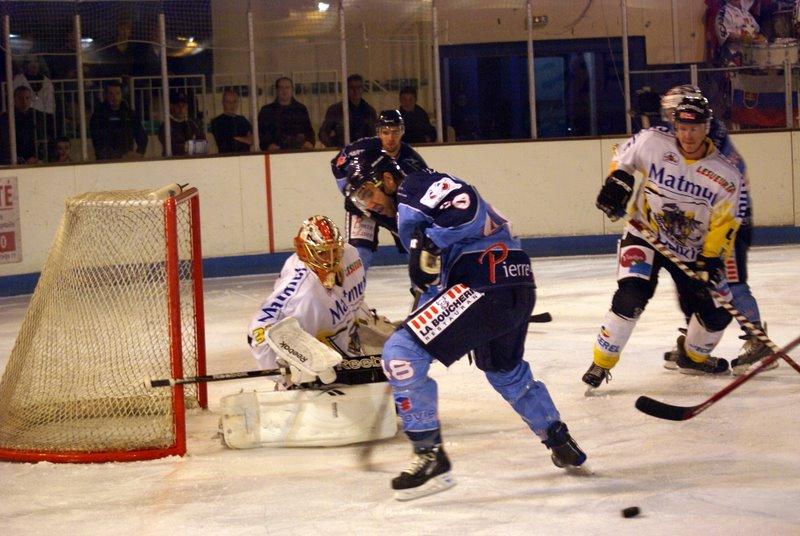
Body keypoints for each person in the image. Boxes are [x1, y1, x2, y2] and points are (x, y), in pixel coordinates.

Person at [345, 158, 587, 501]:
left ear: (386, 178)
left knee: (401, 354)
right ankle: (559, 439)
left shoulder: (413, 186)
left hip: (483, 282)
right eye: (359, 201)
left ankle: (430, 457)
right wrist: (424, 303)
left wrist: (428, 242)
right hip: (513, 283)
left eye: (368, 193)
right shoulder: (408, 212)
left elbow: (465, 204)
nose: (368, 204)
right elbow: (434, 278)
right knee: (503, 370)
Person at [583, 95, 746, 390]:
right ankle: (601, 362)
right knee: (631, 297)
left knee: (717, 312)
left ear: (707, 127)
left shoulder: (726, 176)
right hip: (645, 235)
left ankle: (692, 357)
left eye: (695, 128)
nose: (688, 135)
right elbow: (623, 157)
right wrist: (618, 181)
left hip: (690, 253)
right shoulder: (653, 142)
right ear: (675, 126)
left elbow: (726, 223)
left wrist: (710, 259)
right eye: (682, 128)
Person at [658, 85, 773, 375]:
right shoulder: (688, 136)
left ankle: (758, 340)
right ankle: (695, 344)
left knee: (730, 283)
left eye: (674, 112)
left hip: (728, 225)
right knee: (691, 282)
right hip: (699, 227)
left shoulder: (709, 139)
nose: (673, 121)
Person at [247, 215, 386, 388]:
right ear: (305, 253)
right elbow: (258, 331)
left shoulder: (350, 254)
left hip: (345, 343)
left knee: (389, 370)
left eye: (335, 250)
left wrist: (364, 319)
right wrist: (287, 369)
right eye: (322, 253)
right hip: (318, 360)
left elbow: (352, 301)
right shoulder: (300, 294)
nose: (331, 258)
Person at [331, 110, 429, 269]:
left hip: (396, 210)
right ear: (378, 132)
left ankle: (421, 291)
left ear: (402, 131)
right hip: (364, 207)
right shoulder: (362, 148)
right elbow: (337, 164)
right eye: (385, 132)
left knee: (416, 252)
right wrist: (350, 194)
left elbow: (424, 190)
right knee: (359, 255)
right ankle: (356, 292)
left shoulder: (413, 161)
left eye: (395, 132)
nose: (390, 138)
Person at [89, 80, 148, 160]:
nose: (115, 97)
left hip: (128, 161)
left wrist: (139, 153)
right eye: (111, 94)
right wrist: (120, 157)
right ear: (105, 95)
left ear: (121, 95)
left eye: (117, 93)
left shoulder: (129, 114)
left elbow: (142, 136)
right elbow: (98, 143)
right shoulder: (98, 116)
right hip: (106, 163)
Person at [319, 74, 377, 148]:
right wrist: (335, 147)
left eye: (358, 87)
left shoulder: (370, 111)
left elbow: (374, 134)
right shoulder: (336, 110)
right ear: (346, 89)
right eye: (352, 87)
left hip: (364, 152)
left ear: (362, 89)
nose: (355, 91)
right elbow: (323, 133)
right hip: (344, 151)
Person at [258, 77, 315, 151]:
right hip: (275, 152)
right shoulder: (267, 110)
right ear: (276, 90)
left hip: (299, 150)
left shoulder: (301, 109)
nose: (284, 91)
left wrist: (309, 142)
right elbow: (261, 133)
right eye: (281, 88)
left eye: (287, 87)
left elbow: (308, 130)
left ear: (292, 90)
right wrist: (268, 145)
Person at [0, 86, 49, 165]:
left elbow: (42, 138)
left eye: (27, 98)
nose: (24, 102)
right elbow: (5, 143)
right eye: (20, 98)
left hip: (34, 158)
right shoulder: (6, 118)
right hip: (13, 159)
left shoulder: (38, 116)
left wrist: (37, 157)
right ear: (14, 100)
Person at [158, 92, 206, 157]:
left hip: (192, 162)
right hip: (172, 163)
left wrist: (186, 146)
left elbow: (203, 146)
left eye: (184, 105)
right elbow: (172, 148)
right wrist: (190, 146)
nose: (181, 109)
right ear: (171, 106)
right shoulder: (165, 126)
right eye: (178, 105)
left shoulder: (192, 124)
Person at [209, 89, 253, 154]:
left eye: (234, 101)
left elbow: (252, 140)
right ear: (223, 103)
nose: (232, 105)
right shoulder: (217, 122)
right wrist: (244, 139)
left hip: (245, 157)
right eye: (228, 102)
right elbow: (226, 143)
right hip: (226, 158)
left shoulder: (242, 120)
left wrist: (236, 138)